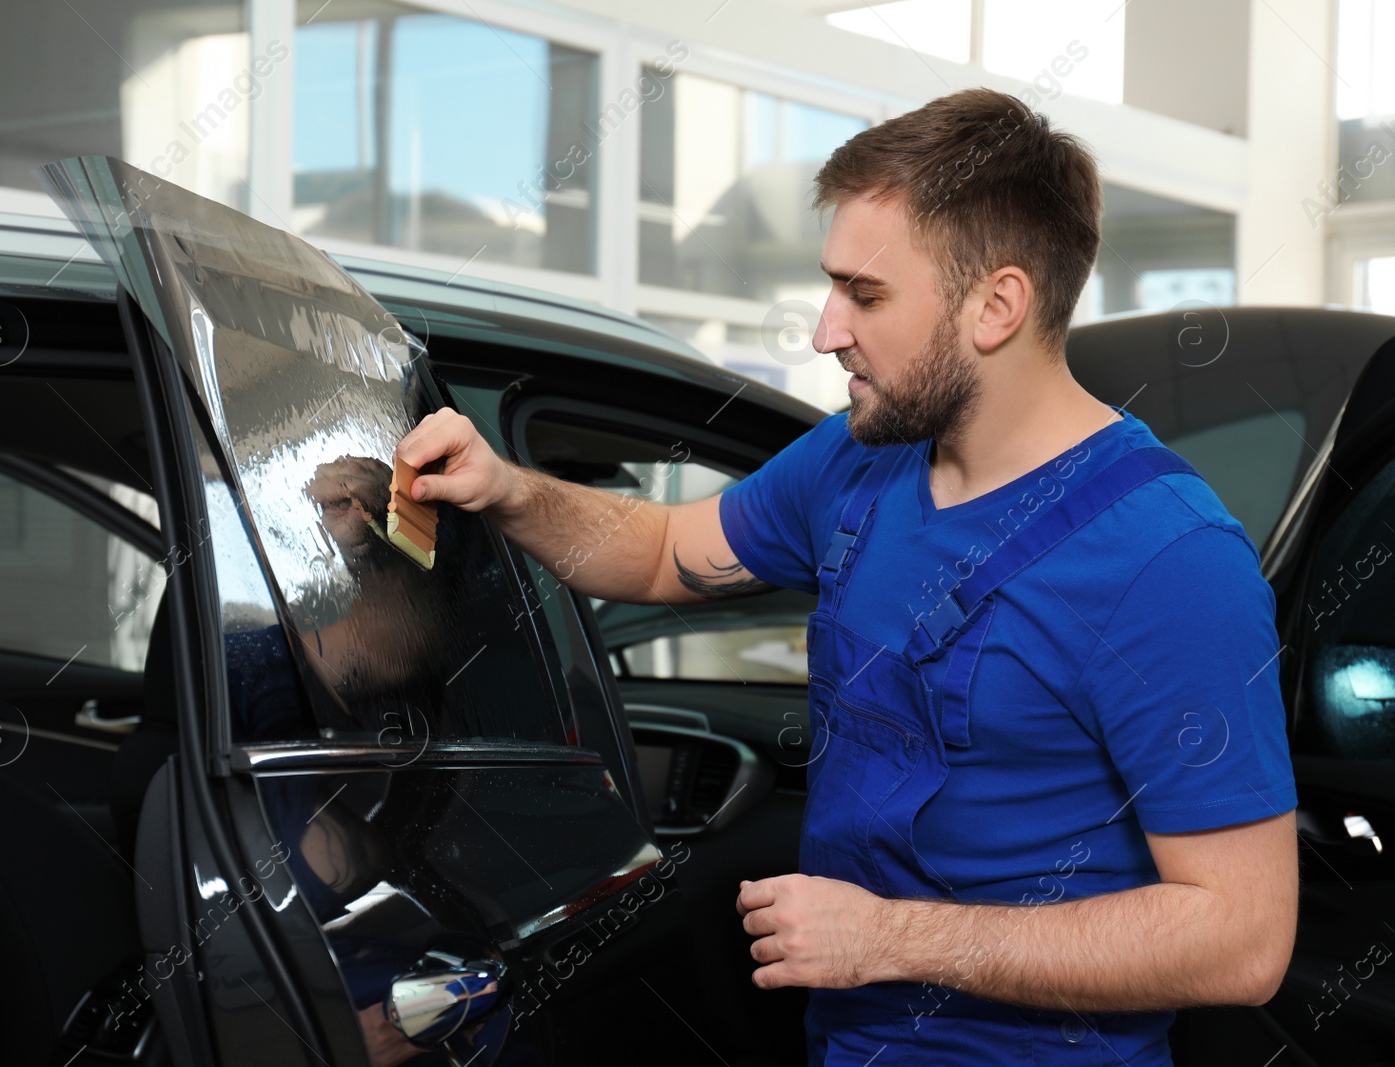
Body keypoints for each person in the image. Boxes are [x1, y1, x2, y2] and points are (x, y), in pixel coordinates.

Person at [392, 87, 1298, 1067]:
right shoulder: (860, 461)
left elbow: (1240, 939)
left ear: (996, 304)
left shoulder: (1168, 563)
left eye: (864, 296)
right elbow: (660, 548)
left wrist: (889, 937)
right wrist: (506, 487)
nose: (825, 331)